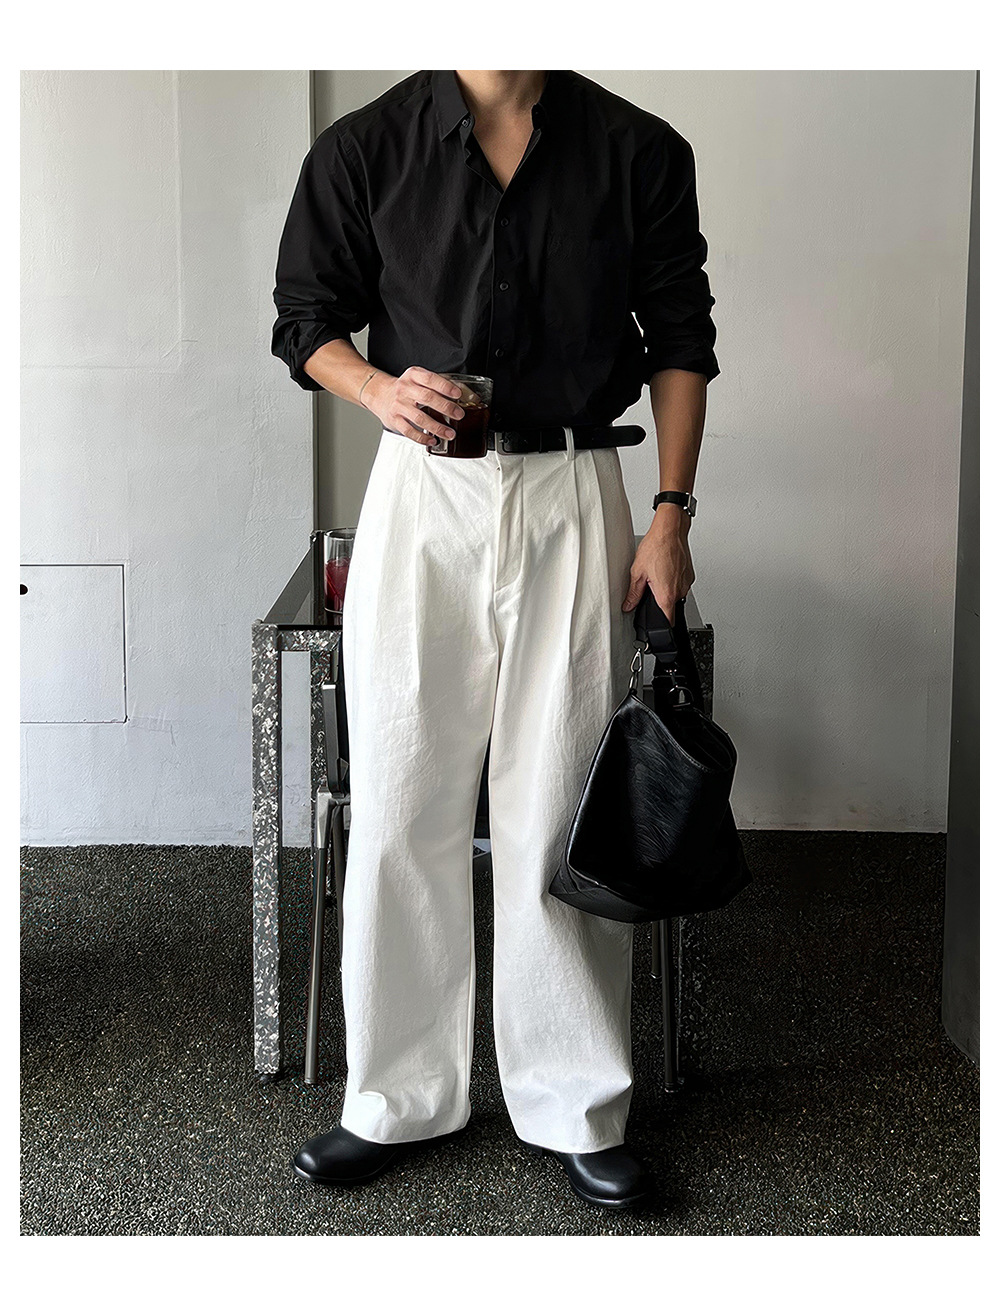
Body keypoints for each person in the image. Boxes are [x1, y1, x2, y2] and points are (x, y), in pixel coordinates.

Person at [271, 69, 718, 1211]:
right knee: (401, 797)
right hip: (424, 493)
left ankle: (575, 1101)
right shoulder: (365, 149)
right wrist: (376, 390)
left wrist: (670, 515)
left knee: (557, 801)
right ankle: (393, 1097)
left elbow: (681, 337)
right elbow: (305, 320)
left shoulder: (639, 150)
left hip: (576, 485)